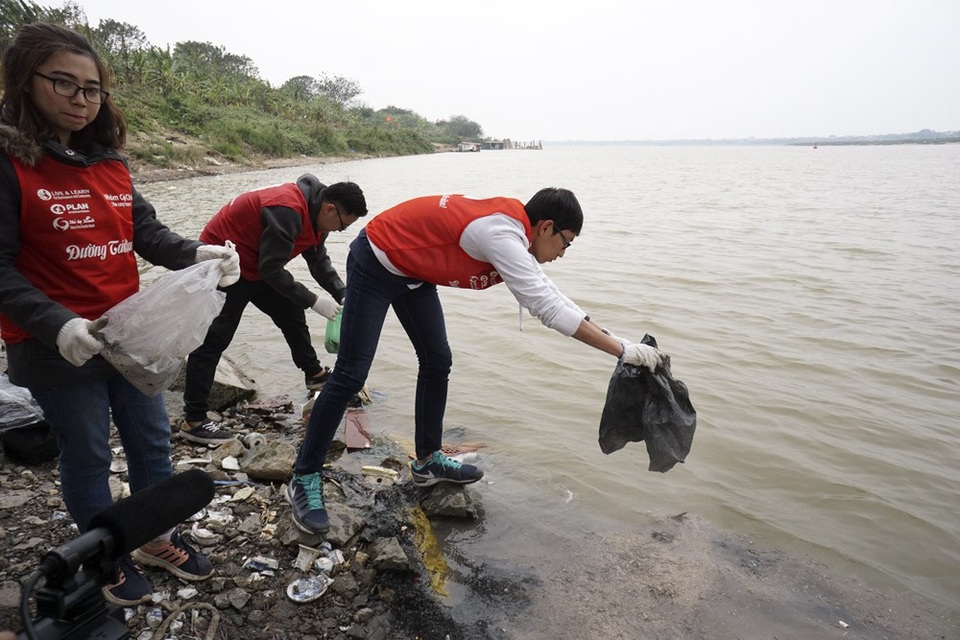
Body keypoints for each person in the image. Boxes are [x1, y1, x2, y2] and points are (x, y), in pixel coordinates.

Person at [0, 23, 241, 607]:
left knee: (152, 440)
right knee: (86, 451)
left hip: (129, 334)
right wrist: (57, 323)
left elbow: (147, 234)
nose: (82, 100)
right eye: (65, 83)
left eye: (93, 89)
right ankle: (101, 554)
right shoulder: (9, 163)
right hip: (56, 342)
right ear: (24, 82)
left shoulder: (109, 163)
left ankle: (153, 536)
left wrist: (197, 254)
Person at [286, 188, 663, 534]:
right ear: (546, 226)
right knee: (351, 375)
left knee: (437, 360)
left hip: (413, 272)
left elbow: (552, 293)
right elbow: (546, 308)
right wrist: (620, 352)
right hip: (377, 259)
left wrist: (621, 341)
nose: (562, 254)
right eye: (565, 243)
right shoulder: (501, 235)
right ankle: (303, 477)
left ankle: (428, 461)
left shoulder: (515, 235)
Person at [179, 176, 367, 443]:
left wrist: (341, 292)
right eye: (342, 227)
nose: (339, 231)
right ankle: (194, 420)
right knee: (215, 338)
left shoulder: (317, 214)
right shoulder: (287, 211)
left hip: (256, 263)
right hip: (225, 264)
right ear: (329, 209)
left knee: (290, 310)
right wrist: (314, 300)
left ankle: (314, 375)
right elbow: (271, 269)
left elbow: (317, 259)